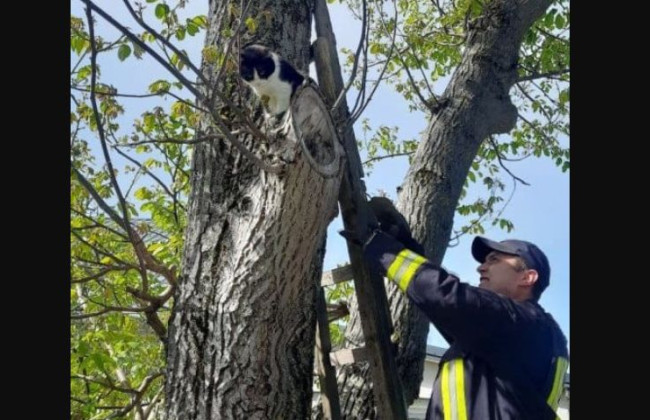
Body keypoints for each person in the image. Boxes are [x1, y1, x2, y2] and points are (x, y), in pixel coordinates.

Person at [341, 197, 569, 420]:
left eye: (494, 260)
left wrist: (381, 248)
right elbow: (447, 310)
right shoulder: (511, 335)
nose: (481, 267)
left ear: (527, 277)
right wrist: (407, 247)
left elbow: (448, 297)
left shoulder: (526, 324)